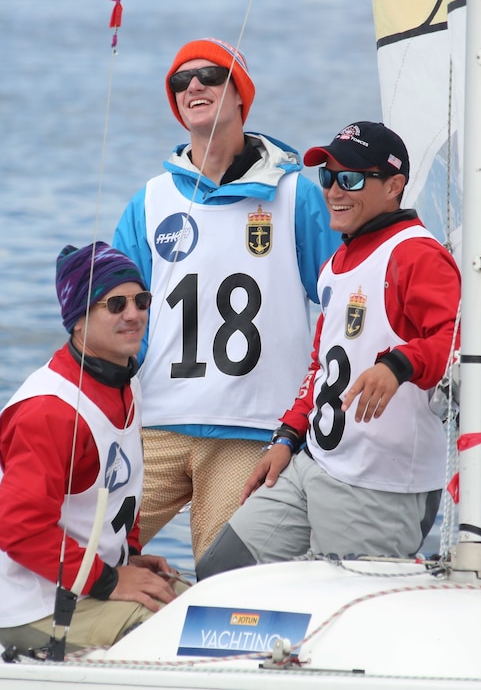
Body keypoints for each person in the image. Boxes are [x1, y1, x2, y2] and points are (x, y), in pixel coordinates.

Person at [196, 121, 462, 579]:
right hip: (312, 464)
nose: (335, 190)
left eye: (352, 179)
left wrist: (399, 366)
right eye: (328, 176)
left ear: (395, 186)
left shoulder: (418, 254)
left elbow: (456, 344)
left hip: (377, 486)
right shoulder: (338, 261)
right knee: (224, 570)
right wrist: (287, 439)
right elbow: (321, 366)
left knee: (344, 616)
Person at [112, 37, 338, 562]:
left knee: (228, 575)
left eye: (209, 76)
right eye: (180, 80)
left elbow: (343, 298)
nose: (193, 85)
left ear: (240, 94)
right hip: (157, 423)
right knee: (79, 544)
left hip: (252, 431)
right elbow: (116, 319)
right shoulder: (150, 201)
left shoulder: (295, 195)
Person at [0, 242, 184, 655]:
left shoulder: (124, 382)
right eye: (115, 304)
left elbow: (119, 490)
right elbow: (19, 530)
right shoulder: (51, 412)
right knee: (181, 629)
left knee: (204, 602)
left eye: (141, 300)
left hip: (83, 583)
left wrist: (126, 560)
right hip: (35, 608)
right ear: (78, 321)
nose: (134, 314)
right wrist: (110, 580)